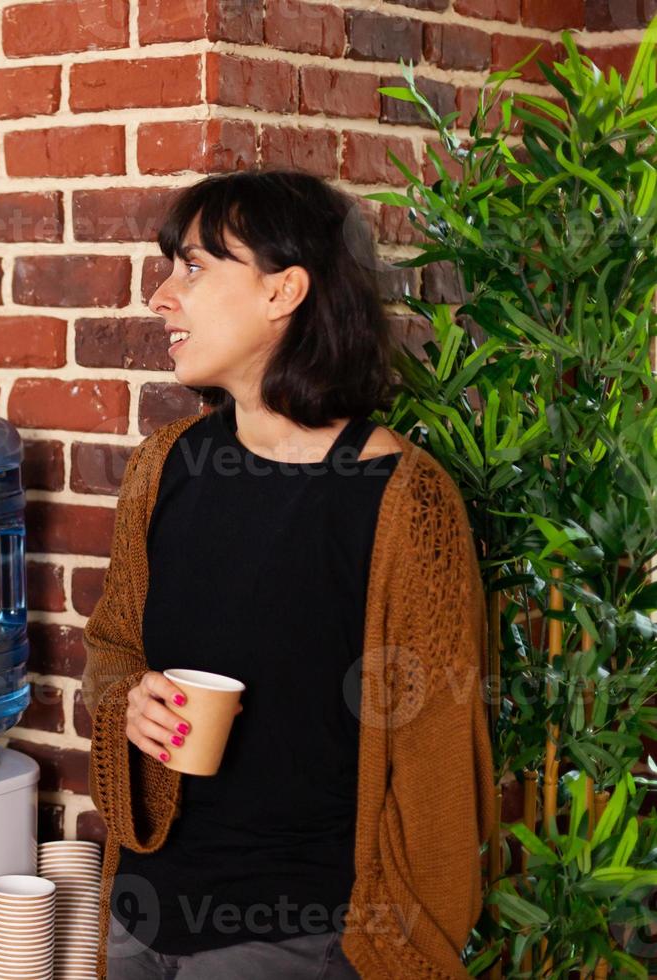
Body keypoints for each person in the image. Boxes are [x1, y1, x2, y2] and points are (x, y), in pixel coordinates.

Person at [82, 170, 495, 979]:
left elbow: (437, 767)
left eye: (194, 267)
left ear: (286, 290)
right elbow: (112, 650)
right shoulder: (165, 466)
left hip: (295, 937)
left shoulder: (405, 499)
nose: (163, 296)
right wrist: (126, 702)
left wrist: (406, 953)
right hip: (139, 908)